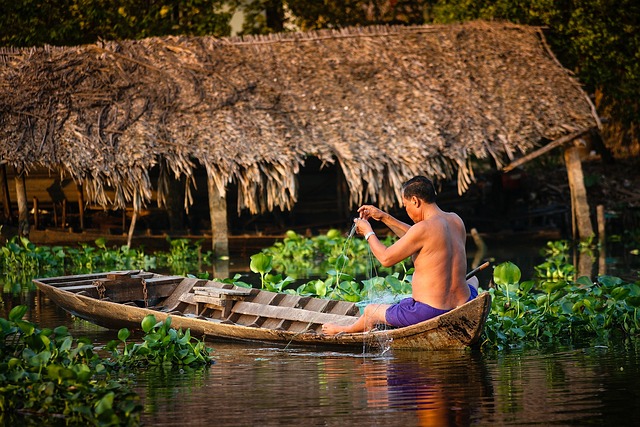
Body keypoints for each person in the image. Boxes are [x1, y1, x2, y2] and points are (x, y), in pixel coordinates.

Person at [322, 176, 478, 335]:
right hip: (464, 302)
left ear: (415, 201)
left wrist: (368, 232)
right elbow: (417, 237)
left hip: (430, 311)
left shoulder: (423, 229)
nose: (407, 210)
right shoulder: (456, 220)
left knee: (370, 311)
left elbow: (386, 258)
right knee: (473, 279)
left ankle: (345, 330)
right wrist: (383, 216)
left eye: (405, 205)